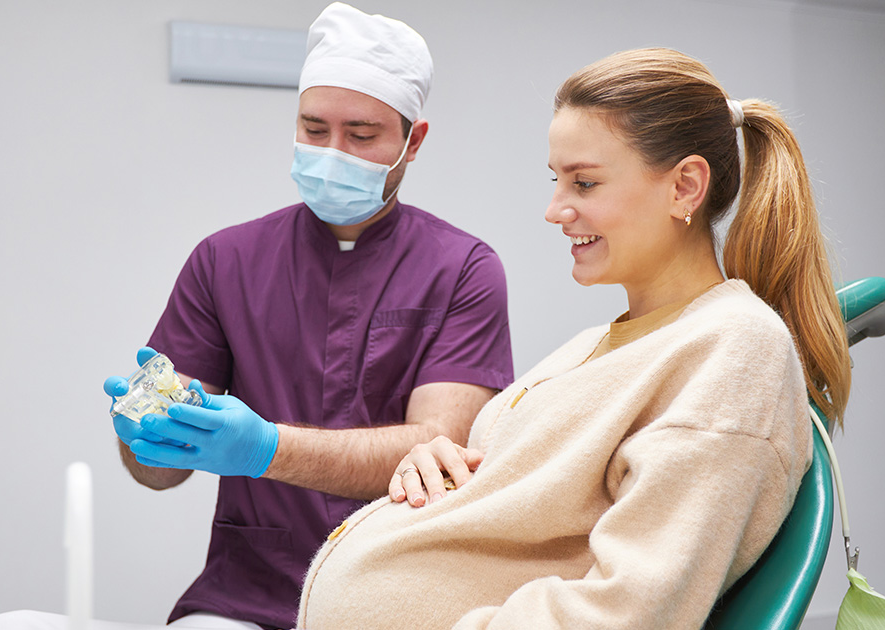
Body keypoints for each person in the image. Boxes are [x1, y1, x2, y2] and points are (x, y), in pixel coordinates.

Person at [0, 4, 511, 630]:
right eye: (313, 129)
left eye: (361, 136)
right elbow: (158, 476)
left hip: (394, 596)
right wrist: (150, 429)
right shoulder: (225, 260)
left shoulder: (463, 268)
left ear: (412, 141)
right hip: (245, 596)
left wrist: (266, 448)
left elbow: (437, 453)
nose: (333, 152)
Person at [294, 47, 851, 629]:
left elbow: (628, 611)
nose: (555, 210)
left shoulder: (734, 352)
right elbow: (543, 511)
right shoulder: (606, 343)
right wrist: (440, 468)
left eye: (584, 183)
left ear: (685, 186)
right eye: (557, 180)